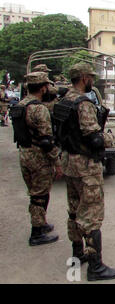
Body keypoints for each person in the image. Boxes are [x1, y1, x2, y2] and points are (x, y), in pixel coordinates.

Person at [55, 62, 115, 281]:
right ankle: (96, 267)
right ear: (84, 78)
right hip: (85, 165)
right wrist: (109, 137)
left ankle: (77, 253)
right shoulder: (82, 103)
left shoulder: (63, 100)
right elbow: (93, 137)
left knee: (74, 209)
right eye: (90, 77)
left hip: (68, 162)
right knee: (91, 214)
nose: (92, 80)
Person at [12, 72, 62, 246]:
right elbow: (46, 141)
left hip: (25, 154)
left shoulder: (20, 106)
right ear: (42, 87)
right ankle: (37, 233)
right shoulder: (39, 109)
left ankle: (41, 223)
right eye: (47, 86)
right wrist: (57, 162)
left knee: (36, 194)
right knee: (39, 196)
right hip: (38, 158)